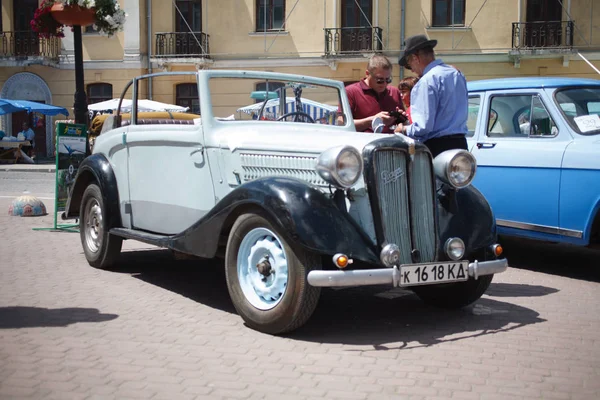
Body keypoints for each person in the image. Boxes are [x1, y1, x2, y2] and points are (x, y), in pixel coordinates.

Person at [394, 34, 469, 158]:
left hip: (438, 148)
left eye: (409, 64)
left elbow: (423, 127)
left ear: (415, 58)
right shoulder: (456, 74)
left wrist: (403, 129)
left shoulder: (426, 82)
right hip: (460, 144)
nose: (411, 70)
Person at [341, 54, 404, 133]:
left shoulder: (394, 92)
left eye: (388, 80)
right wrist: (373, 120)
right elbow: (342, 123)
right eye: (379, 80)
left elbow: (401, 124)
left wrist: (401, 119)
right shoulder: (350, 92)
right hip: (363, 143)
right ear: (367, 74)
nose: (384, 84)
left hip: (391, 143)